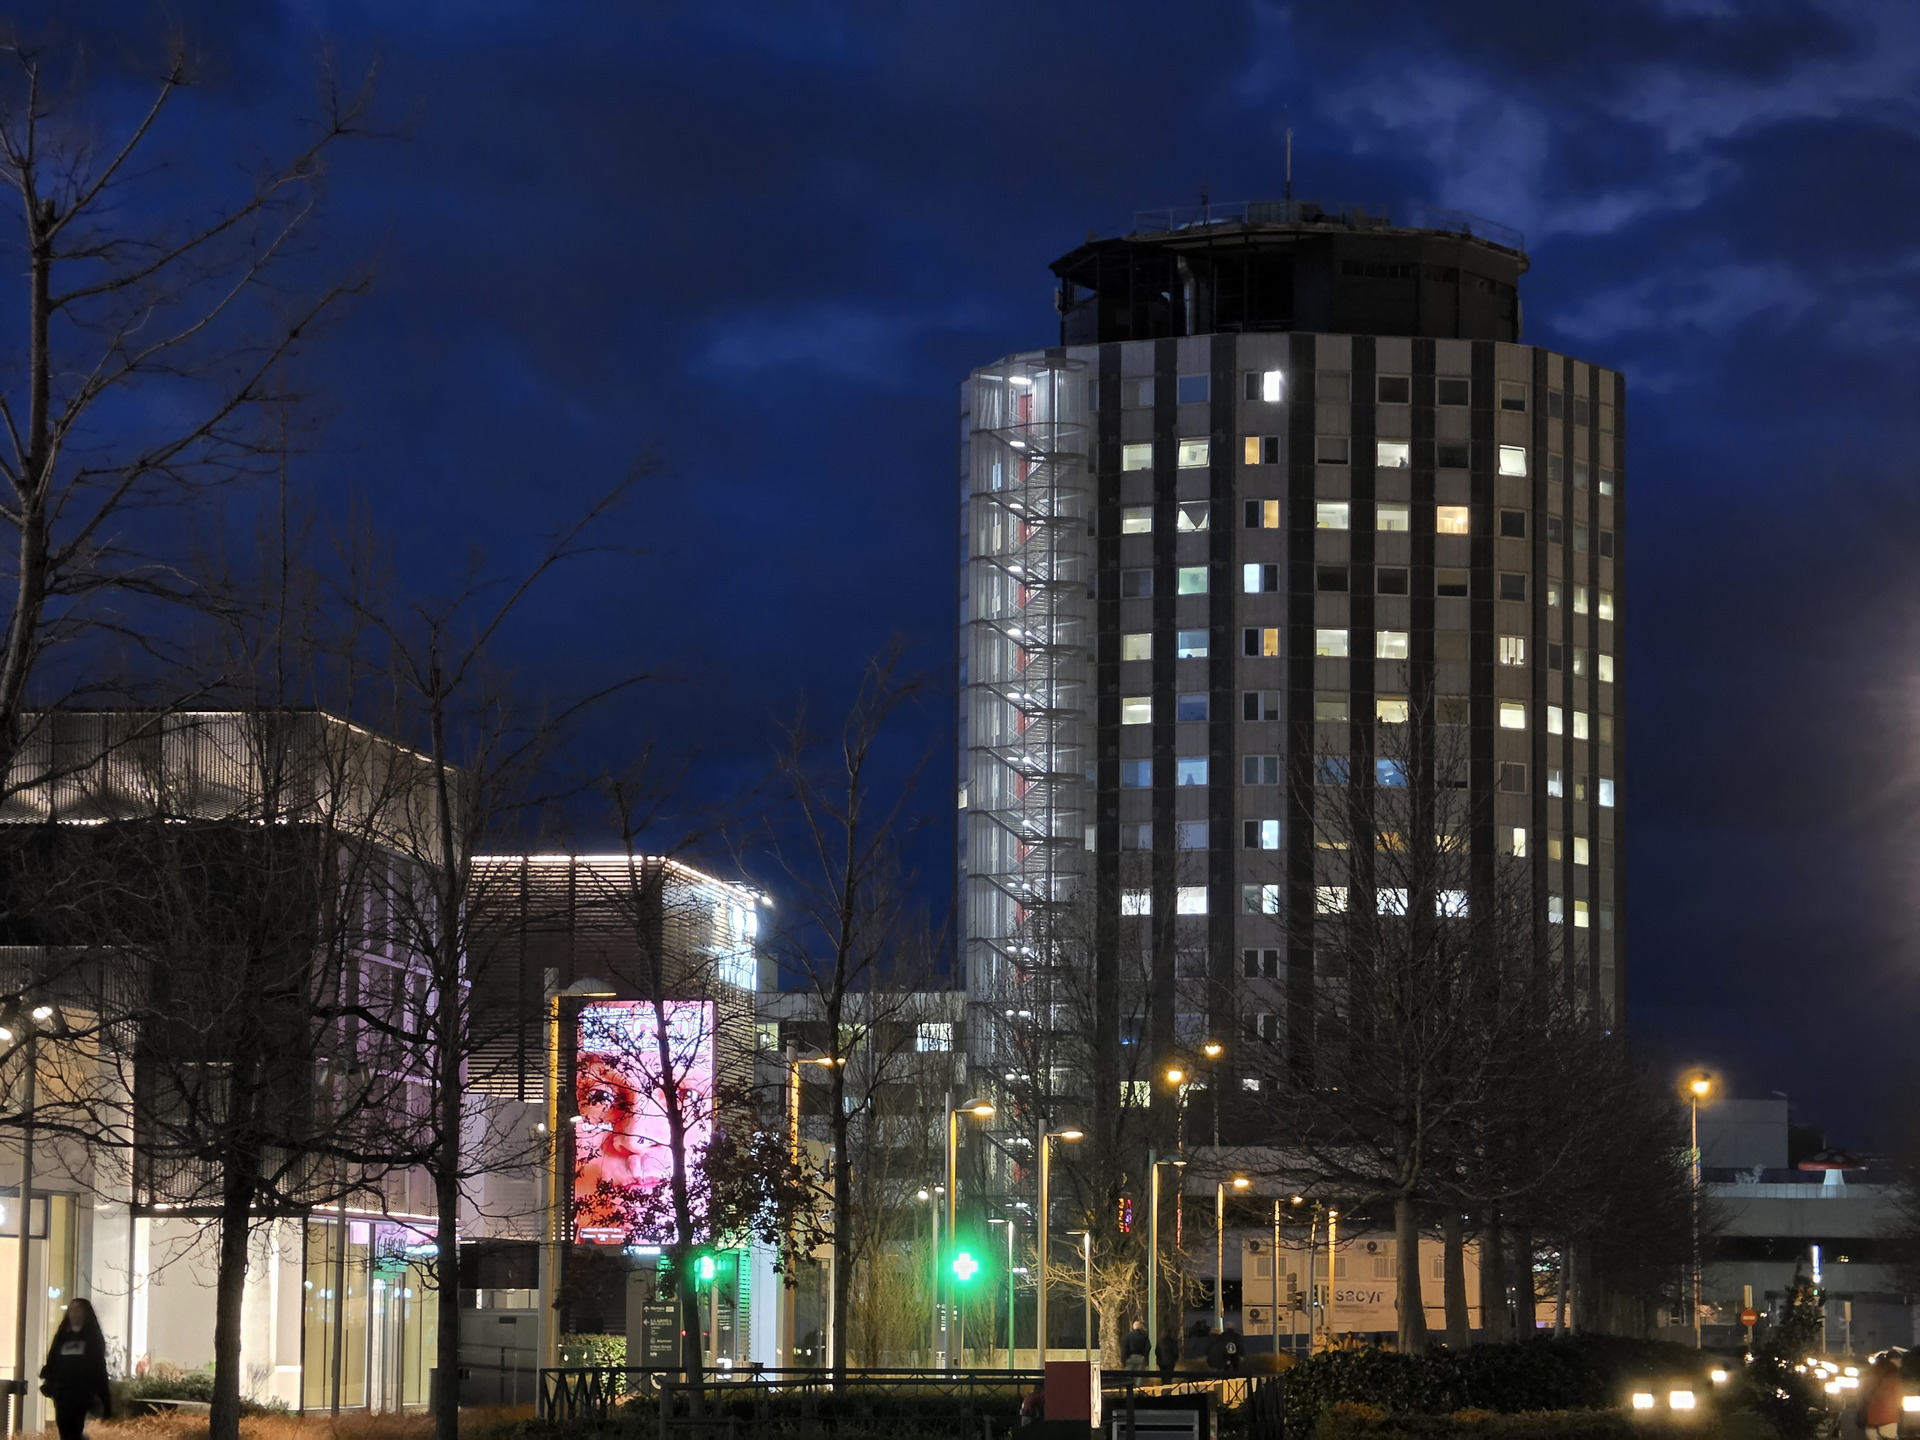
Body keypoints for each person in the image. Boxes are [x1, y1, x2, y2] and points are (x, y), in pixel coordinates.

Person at [40, 1298, 110, 1440]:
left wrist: (104, 1398)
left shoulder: (92, 1338)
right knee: (64, 1427)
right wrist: (49, 1378)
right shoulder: (62, 1336)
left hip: (81, 1393)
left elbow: (98, 1367)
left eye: (78, 1310)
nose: (74, 1313)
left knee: (74, 1428)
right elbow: (53, 1358)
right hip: (62, 1392)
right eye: (72, 1310)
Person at [1861, 1354, 1902, 1440]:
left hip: (1870, 1422)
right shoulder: (1893, 1377)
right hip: (1888, 1420)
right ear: (1893, 1360)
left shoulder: (1870, 1377)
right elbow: (1899, 1397)